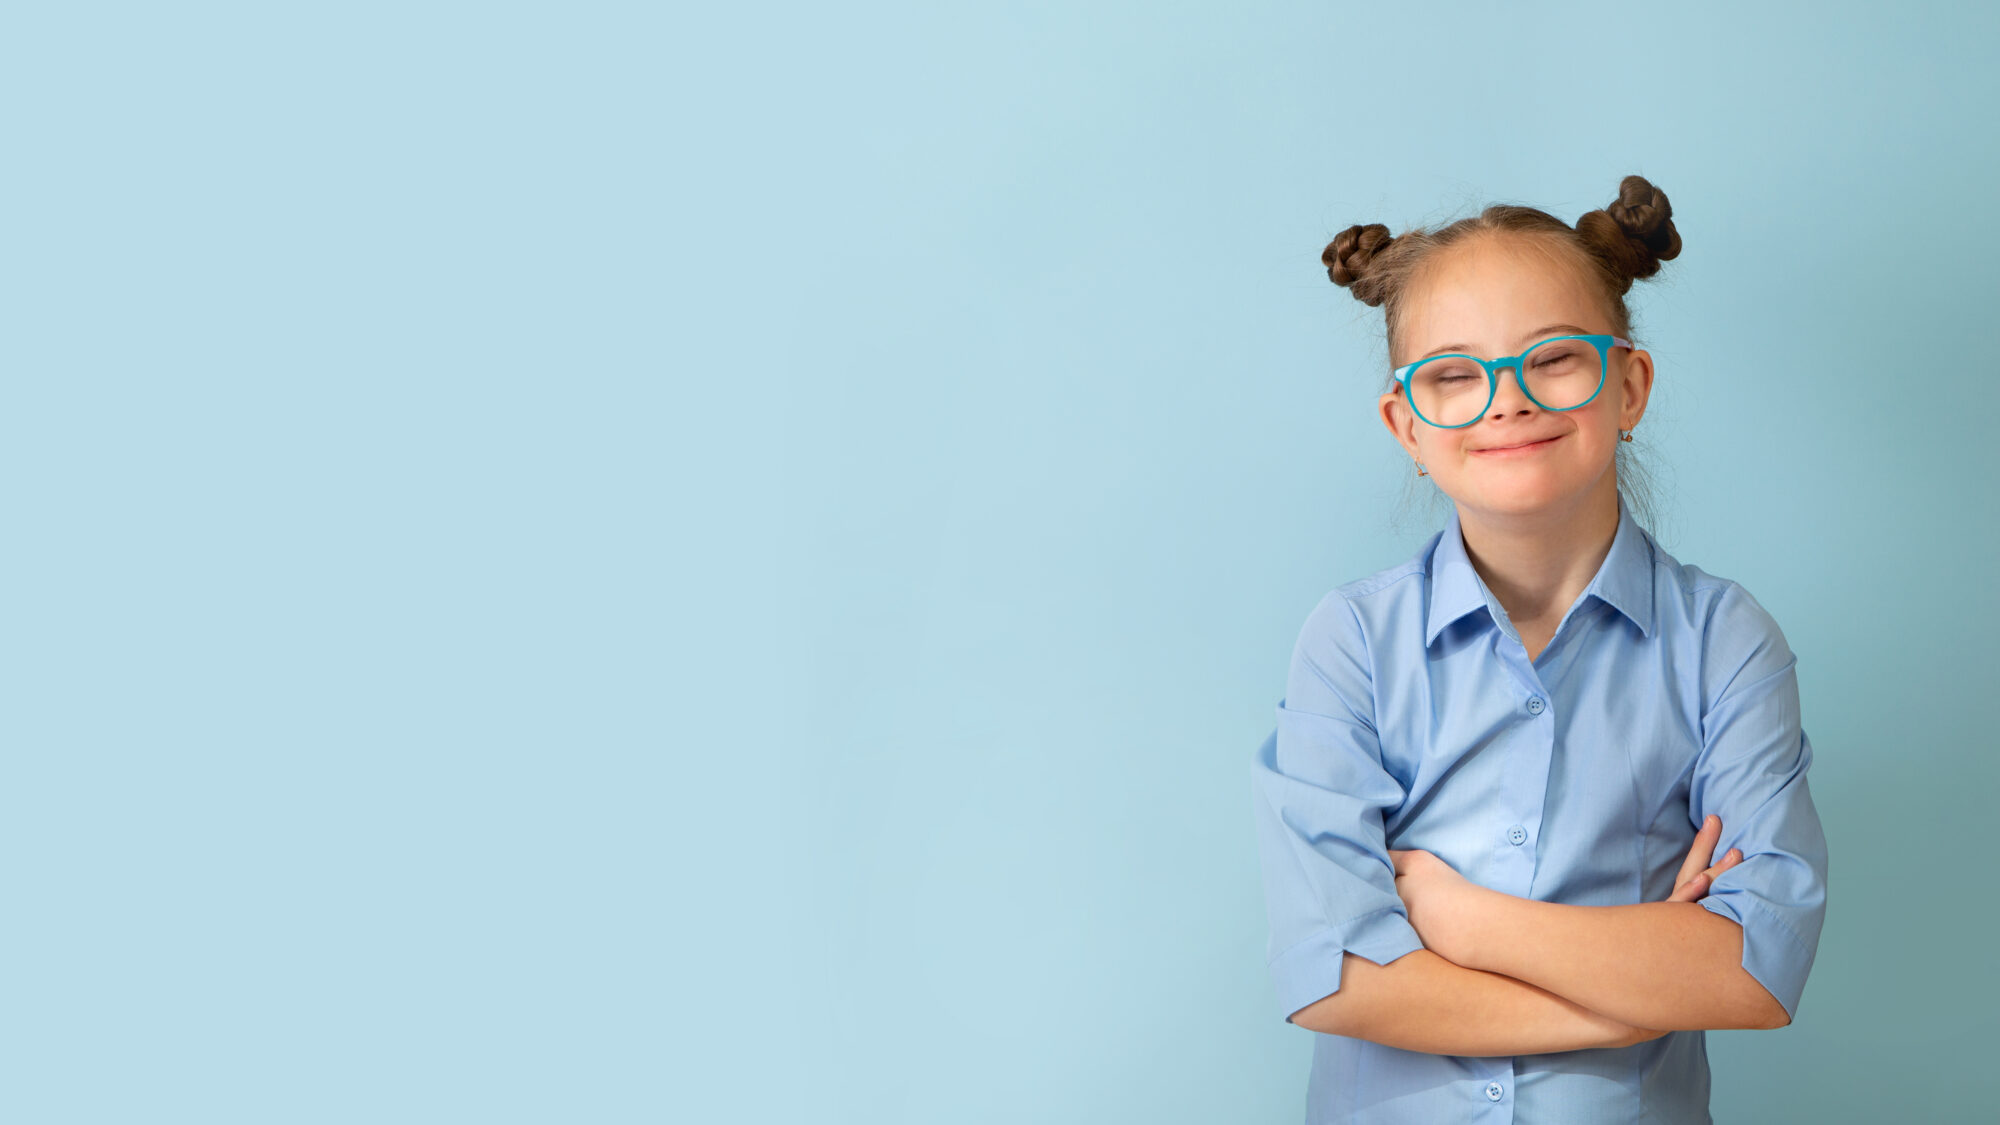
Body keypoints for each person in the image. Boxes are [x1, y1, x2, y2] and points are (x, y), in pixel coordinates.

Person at [1248, 175, 1829, 1124]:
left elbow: (1752, 970)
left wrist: (1465, 921)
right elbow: (1338, 976)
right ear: (1406, 424)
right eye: (1454, 374)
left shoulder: (1725, 641)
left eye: (1554, 358)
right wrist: (1634, 993)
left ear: (1629, 387)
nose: (1507, 400)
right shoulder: (1351, 640)